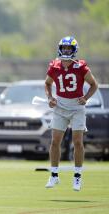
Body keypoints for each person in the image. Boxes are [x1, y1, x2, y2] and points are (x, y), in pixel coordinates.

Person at [44, 36, 98, 191]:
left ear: (74, 50)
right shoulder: (54, 65)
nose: (66, 51)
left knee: (78, 142)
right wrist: (50, 97)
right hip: (60, 106)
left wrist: (86, 98)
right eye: (64, 48)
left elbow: (94, 84)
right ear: (60, 49)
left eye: (69, 48)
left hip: (76, 107)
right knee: (55, 141)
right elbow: (47, 83)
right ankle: (54, 175)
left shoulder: (81, 67)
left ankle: (77, 177)